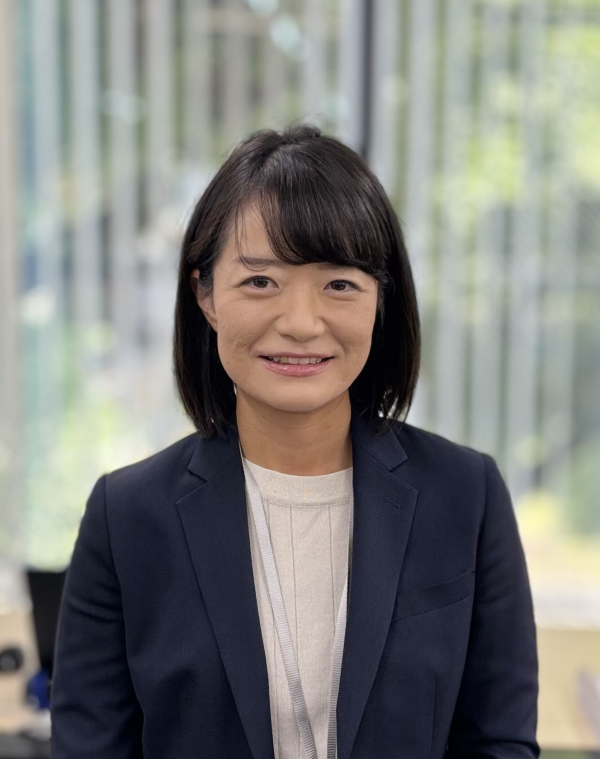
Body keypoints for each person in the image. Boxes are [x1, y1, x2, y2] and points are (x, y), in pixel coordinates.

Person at [50, 124, 539, 759]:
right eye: (261, 282)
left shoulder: (466, 496)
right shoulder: (127, 517)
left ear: (380, 299)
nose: (302, 324)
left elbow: (498, 742)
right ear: (205, 296)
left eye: (339, 284)